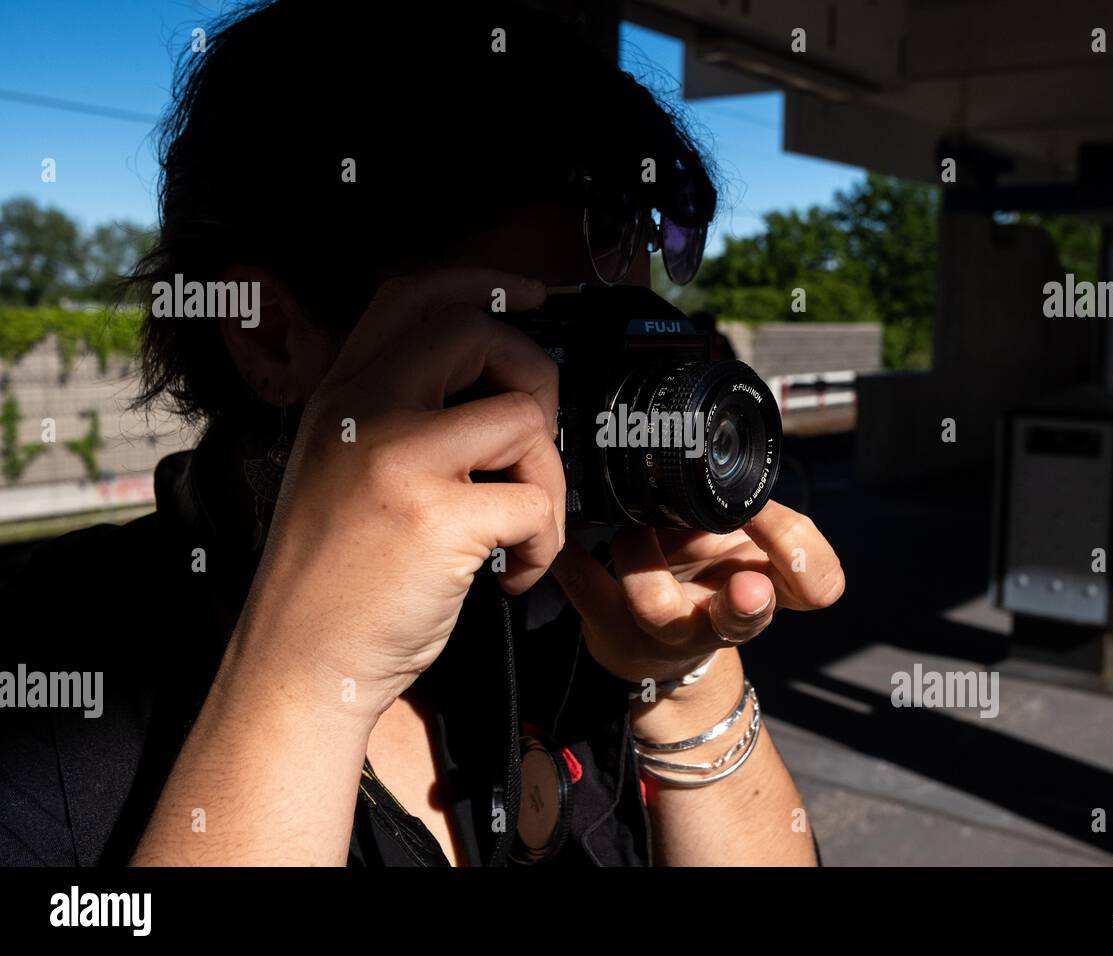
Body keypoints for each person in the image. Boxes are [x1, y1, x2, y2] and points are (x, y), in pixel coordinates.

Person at [0, 0, 844, 867]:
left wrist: (684, 682)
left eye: (625, 350)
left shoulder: (576, 607)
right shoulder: (51, 678)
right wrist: (304, 675)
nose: (614, 417)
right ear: (269, 333)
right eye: (539, 347)